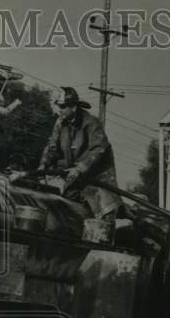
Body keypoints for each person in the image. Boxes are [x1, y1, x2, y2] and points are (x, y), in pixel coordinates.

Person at [37, 87, 121, 228]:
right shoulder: (60, 123)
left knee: (104, 210)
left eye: (63, 107)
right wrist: (43, 164)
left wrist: (80, 168)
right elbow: (52, 147)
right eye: (58, 106)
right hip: (76, 176)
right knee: (66, 205)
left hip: (98, 177)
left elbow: (99, 148)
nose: (59, 110)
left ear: (73, 107)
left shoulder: (91, 123)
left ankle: (106, 233)